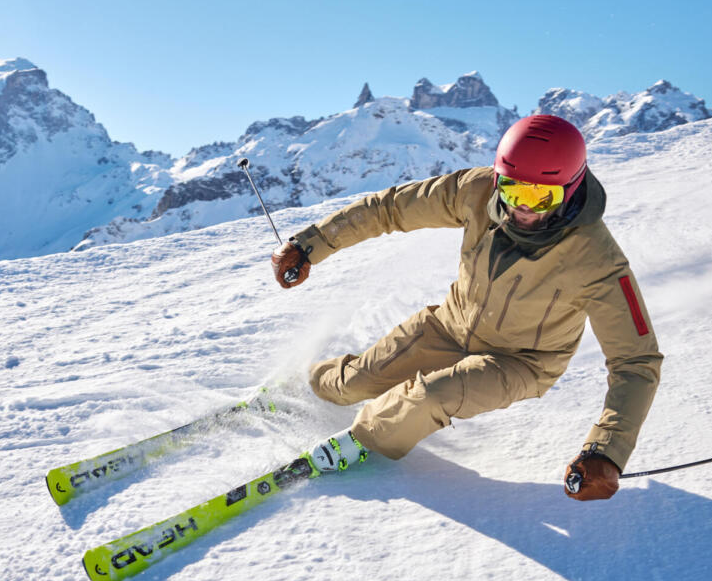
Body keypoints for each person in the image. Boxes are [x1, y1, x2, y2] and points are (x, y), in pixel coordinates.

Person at [270, 114, 661, 501]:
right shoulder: (476, 191)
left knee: (426, 398)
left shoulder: (597, 258)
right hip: (449, 326)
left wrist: (606, 450)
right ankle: (300, 388)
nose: (521, 208)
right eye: (511, 190)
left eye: (540, 197)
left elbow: (636, 362)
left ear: (570, 189)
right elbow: (390, 209)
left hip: (522, 361)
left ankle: (356, 444)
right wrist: (311, 244)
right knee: (353, 382)